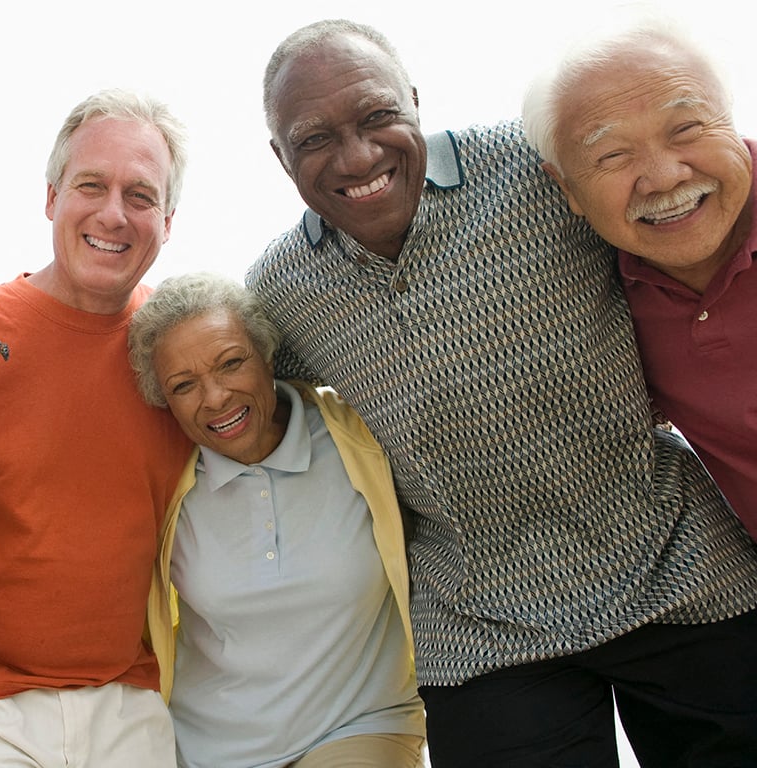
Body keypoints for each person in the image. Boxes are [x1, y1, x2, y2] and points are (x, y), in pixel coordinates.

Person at [245, 18, 757, 768]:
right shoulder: (282, 289)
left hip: (677, 563)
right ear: (279, 156)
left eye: (378, 117)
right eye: (314, 139)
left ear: (415, 103)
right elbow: (227, 390)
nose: (357, 156)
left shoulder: (536, 171)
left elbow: (686, 203)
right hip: (480, 620)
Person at [0, 89, 195, 767]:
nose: (114, 214)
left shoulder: (182, 352)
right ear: (53, 197)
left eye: (141, 196)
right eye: (92, 185)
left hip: (131, 702)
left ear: (168, 221)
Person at [128, 272, 425, 768]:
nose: (216, 397)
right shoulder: (166, 485)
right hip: (203, 750)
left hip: (359, 727)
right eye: (184, 385)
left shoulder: (361, 438)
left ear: (267, 356)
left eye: (231, 363)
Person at [522, 12, 757, 542]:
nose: (665, 175)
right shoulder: (601, 302)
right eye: (612, 155)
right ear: (567, 191)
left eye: (687, 129)